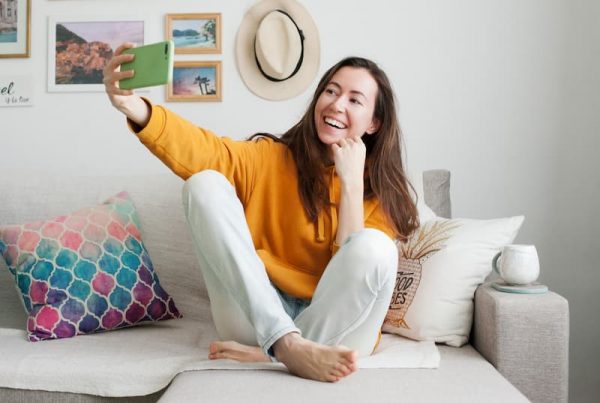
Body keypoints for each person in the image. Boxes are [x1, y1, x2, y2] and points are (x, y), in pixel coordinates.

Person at [103, 43, 419, 383]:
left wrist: (352, 184)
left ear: (374, 123)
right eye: (330, 90)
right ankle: (285, 345)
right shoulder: (270, 158)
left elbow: (347, 273)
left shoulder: (386, 194)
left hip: (341, 328)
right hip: (259, 314)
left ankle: (271, 353)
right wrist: (137, 109)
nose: (337, 104)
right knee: (204, 184)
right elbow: (203, 148)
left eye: (355, 100)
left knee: (374, 246)